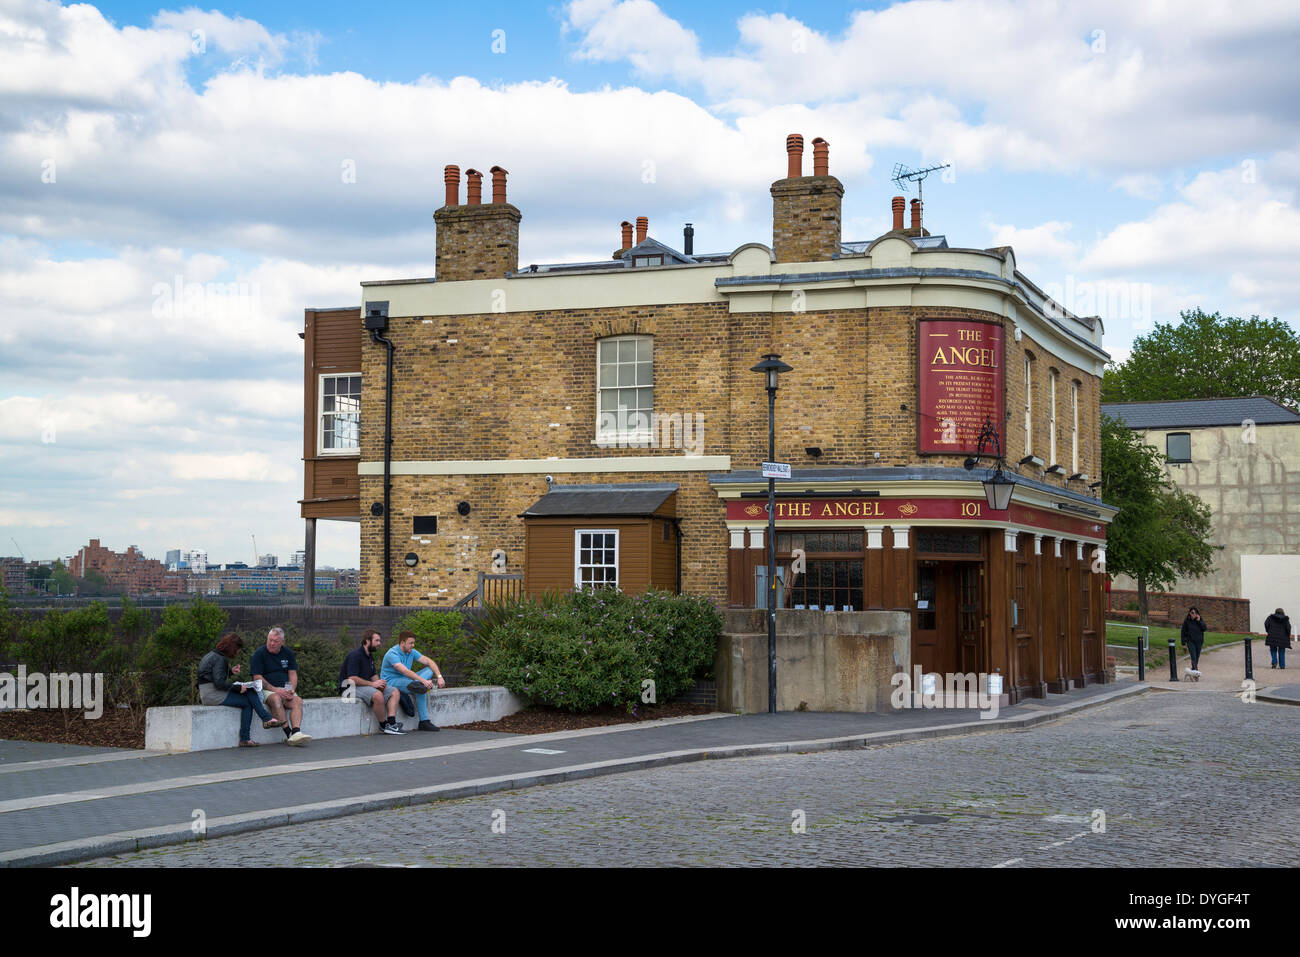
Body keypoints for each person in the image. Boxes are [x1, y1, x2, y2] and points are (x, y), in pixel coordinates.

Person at [197, 632, 283, 748]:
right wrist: (238, 687)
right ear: (233, 647)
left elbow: (212, 676)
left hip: (207, 692)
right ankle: (261, 723)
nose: (237, 652)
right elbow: (219, 683)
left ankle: (254, 730)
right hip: (212, 694)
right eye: (238, 649)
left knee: (248, 699)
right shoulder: (221, 659)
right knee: (249, 697)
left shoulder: (212, 655)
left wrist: (231, 672)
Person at [250, 626, 311, 745]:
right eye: (270, 640)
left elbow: (292, 674)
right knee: (276, 699)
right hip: (267, 690)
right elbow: (257, 678)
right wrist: (276, 690)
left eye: (275, 641)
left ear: (282, 642)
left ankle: (296, 732)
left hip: (284, 688)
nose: (272, 643)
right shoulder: (259, 654)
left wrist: (291, 690)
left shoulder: (288, 653)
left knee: (297, 701)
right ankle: (289, 734)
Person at [340, 629, 405, 734]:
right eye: (377, 640)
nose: (379, 643)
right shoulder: (355, 655)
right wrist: (373, 684)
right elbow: (352, 678)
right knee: (378, 695)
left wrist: (381, 683)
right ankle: (384, 726)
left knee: (394, 691)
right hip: (349, 688)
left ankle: (392, 723)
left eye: (379, 641)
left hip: (364, 686)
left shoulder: (369, 656)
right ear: (367, 641)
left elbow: (373, 675)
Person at [380, 630, 446, 731]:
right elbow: (405, 671)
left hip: (407, 680)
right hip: (391, 682)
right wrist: (424, 681)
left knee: (428, 671)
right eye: (410, 643)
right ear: (402, 643)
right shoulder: (392, 653)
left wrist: (439, 676)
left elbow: (429, 661)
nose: (413, 645)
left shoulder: (411, 652)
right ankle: (424, 721)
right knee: (420, 686)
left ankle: (423, 722)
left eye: (413, 643)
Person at [1181, 606, 1207, 677]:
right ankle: (1196, 673)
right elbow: (1183, 632)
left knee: (1197, 657)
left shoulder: (1200, 620)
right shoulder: (1186, 621)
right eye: (1192, 613)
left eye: (1195, 613)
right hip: (1190, 641)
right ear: (1189, 613)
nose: (1194, 614)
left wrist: (1199, 621)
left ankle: (1193, 670)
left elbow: (1204, 628)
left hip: (1199, 641)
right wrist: (1183, 643)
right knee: (1193, 657)